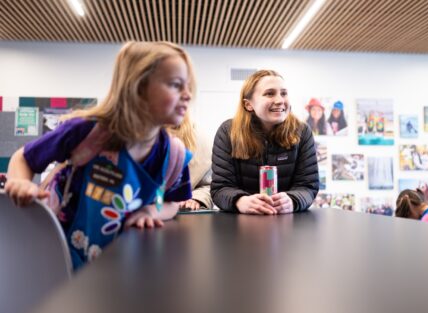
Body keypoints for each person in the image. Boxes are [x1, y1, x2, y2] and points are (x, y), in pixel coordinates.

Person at [5, 41, 195, 269]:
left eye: (188, 86)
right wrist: (19, 183)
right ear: (138, 88)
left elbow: (172, 203)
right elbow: (24, 157)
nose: (188, 95)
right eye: (176, 85)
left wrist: (148, 210)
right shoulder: (84, 131)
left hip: (117, 265)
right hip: (54, 256)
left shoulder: (173, 154)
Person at [211, 69, 319, 214]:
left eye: (284, 93)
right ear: (248, 104)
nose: (280, 100)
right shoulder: (228, 132)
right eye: (269, 93)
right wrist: (240, 201)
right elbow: (220, 188)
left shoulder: (302, 132)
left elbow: (308, 186)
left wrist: (292, 200)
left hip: (287, 224)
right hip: (241, 225)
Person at [168, 114, 214, 211]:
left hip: (182, 215)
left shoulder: (201, 140)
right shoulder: (134, 136)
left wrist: (196, 198)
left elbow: (210, 185)